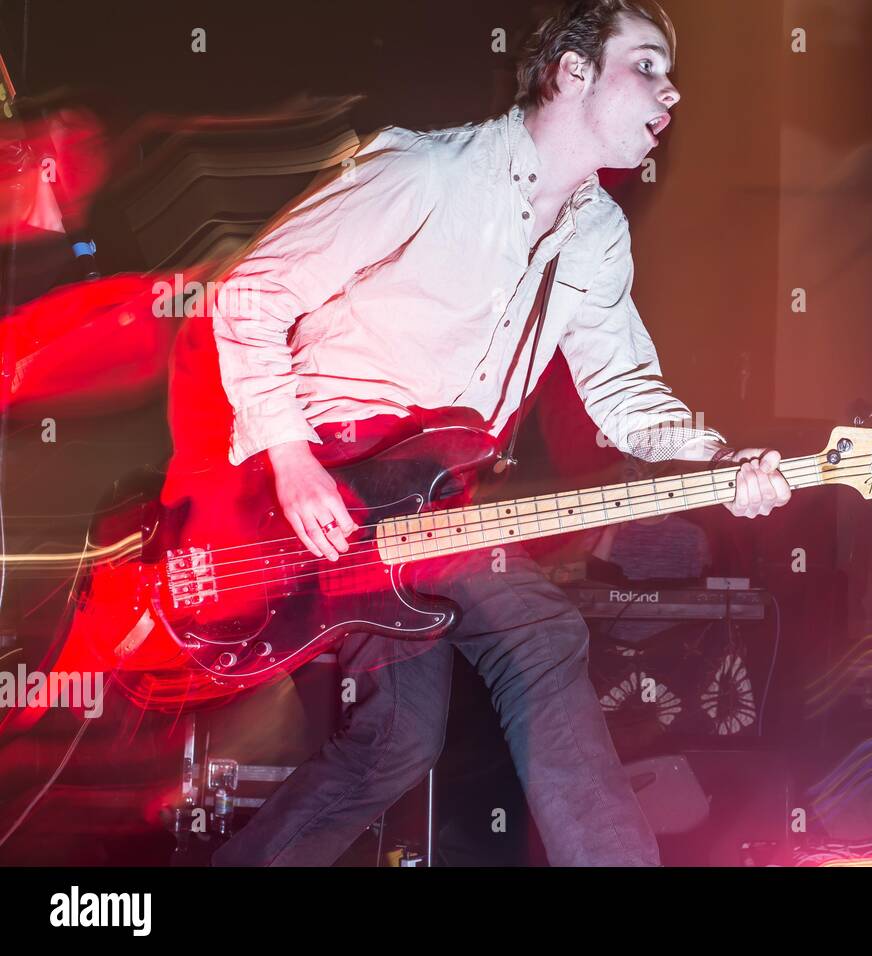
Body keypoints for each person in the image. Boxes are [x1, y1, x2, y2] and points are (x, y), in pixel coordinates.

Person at [209, 0, 790, 867]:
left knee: (511, 662)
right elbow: (250, 296)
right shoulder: (428, 174)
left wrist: (717, 458)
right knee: (409, 735)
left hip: (442, 505)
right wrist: (289, 459)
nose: (671, 96)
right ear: (572, 72)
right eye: (649, 67)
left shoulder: (595, 233)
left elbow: (625, 390)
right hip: (330, 492)